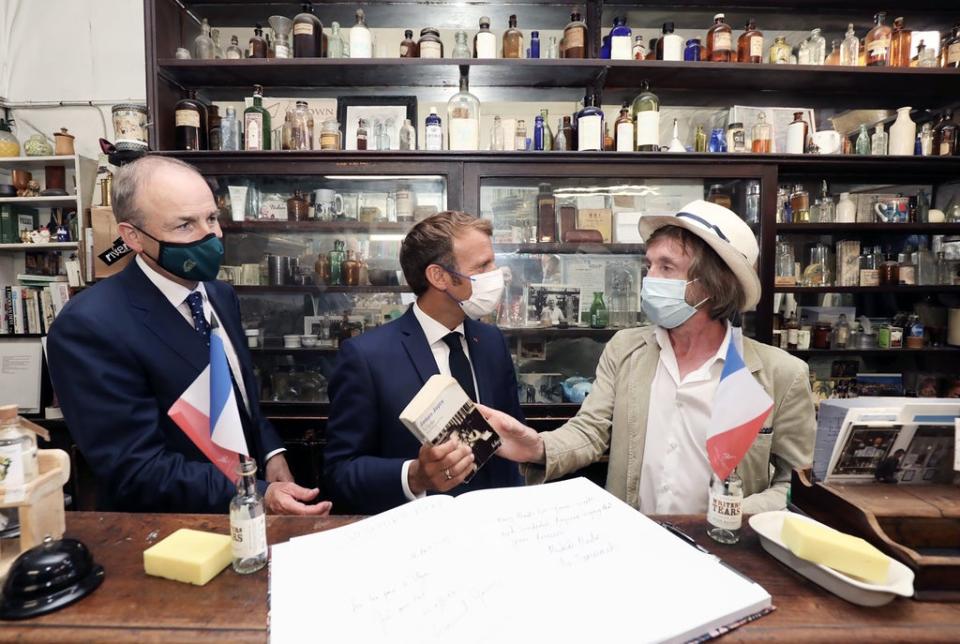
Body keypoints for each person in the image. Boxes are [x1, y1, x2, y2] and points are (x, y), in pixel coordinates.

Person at [479, 200, 816, 514]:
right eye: (649, 265)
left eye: (667, 267)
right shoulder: (625, 349)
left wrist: (731, 514)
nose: (649, 279)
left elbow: (795, 485)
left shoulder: (780, 376)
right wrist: (535, 447)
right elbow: (590, 431)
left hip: (726, 555)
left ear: (714, 284)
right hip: (636, 544)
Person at [47, 156, 331, 516]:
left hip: (249, 507)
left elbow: (238, 392)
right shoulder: (89, 326)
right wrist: (257, 492)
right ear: (132, 236)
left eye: (211, 218)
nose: (210, 235)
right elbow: (136, 469)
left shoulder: (219, 295)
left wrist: (271, 452)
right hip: (172, 528)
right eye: (185, 225)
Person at [324, 211, 524, 514]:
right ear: (439, 276)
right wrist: (415, 475)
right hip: (418, 534)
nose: (497, 274)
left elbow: (512, 438)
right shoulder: (366, 357)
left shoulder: (492, 341)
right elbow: (340, 473)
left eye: (493, 262)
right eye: (483, 266)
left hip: (495, 526)